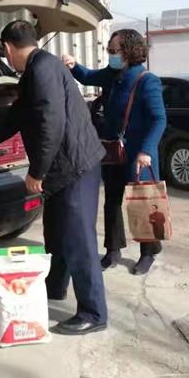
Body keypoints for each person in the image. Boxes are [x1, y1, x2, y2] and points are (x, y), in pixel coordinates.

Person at [0, 20, 108, 335]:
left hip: (74, 167)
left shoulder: (42, 69)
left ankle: (94, 313)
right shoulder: (36, 70)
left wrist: (37, 172)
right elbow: (14, 119)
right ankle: (55, 287)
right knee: (57, 233)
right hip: (64, 169)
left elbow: (52, 122)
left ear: (7, 48)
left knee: (79, 240)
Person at [63, 29, 167, 275]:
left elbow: (159, 119)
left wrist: (146, 150)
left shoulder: (146, 80)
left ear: (129, 51)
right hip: (113, 151)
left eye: (114, 50)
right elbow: (88, 77)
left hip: (138, 156)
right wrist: (73, 65)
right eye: (109, 50)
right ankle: (112, 250)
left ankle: (148, 252)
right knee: (111, 202)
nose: (110, 54)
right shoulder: (112, 75)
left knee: (143, 204)